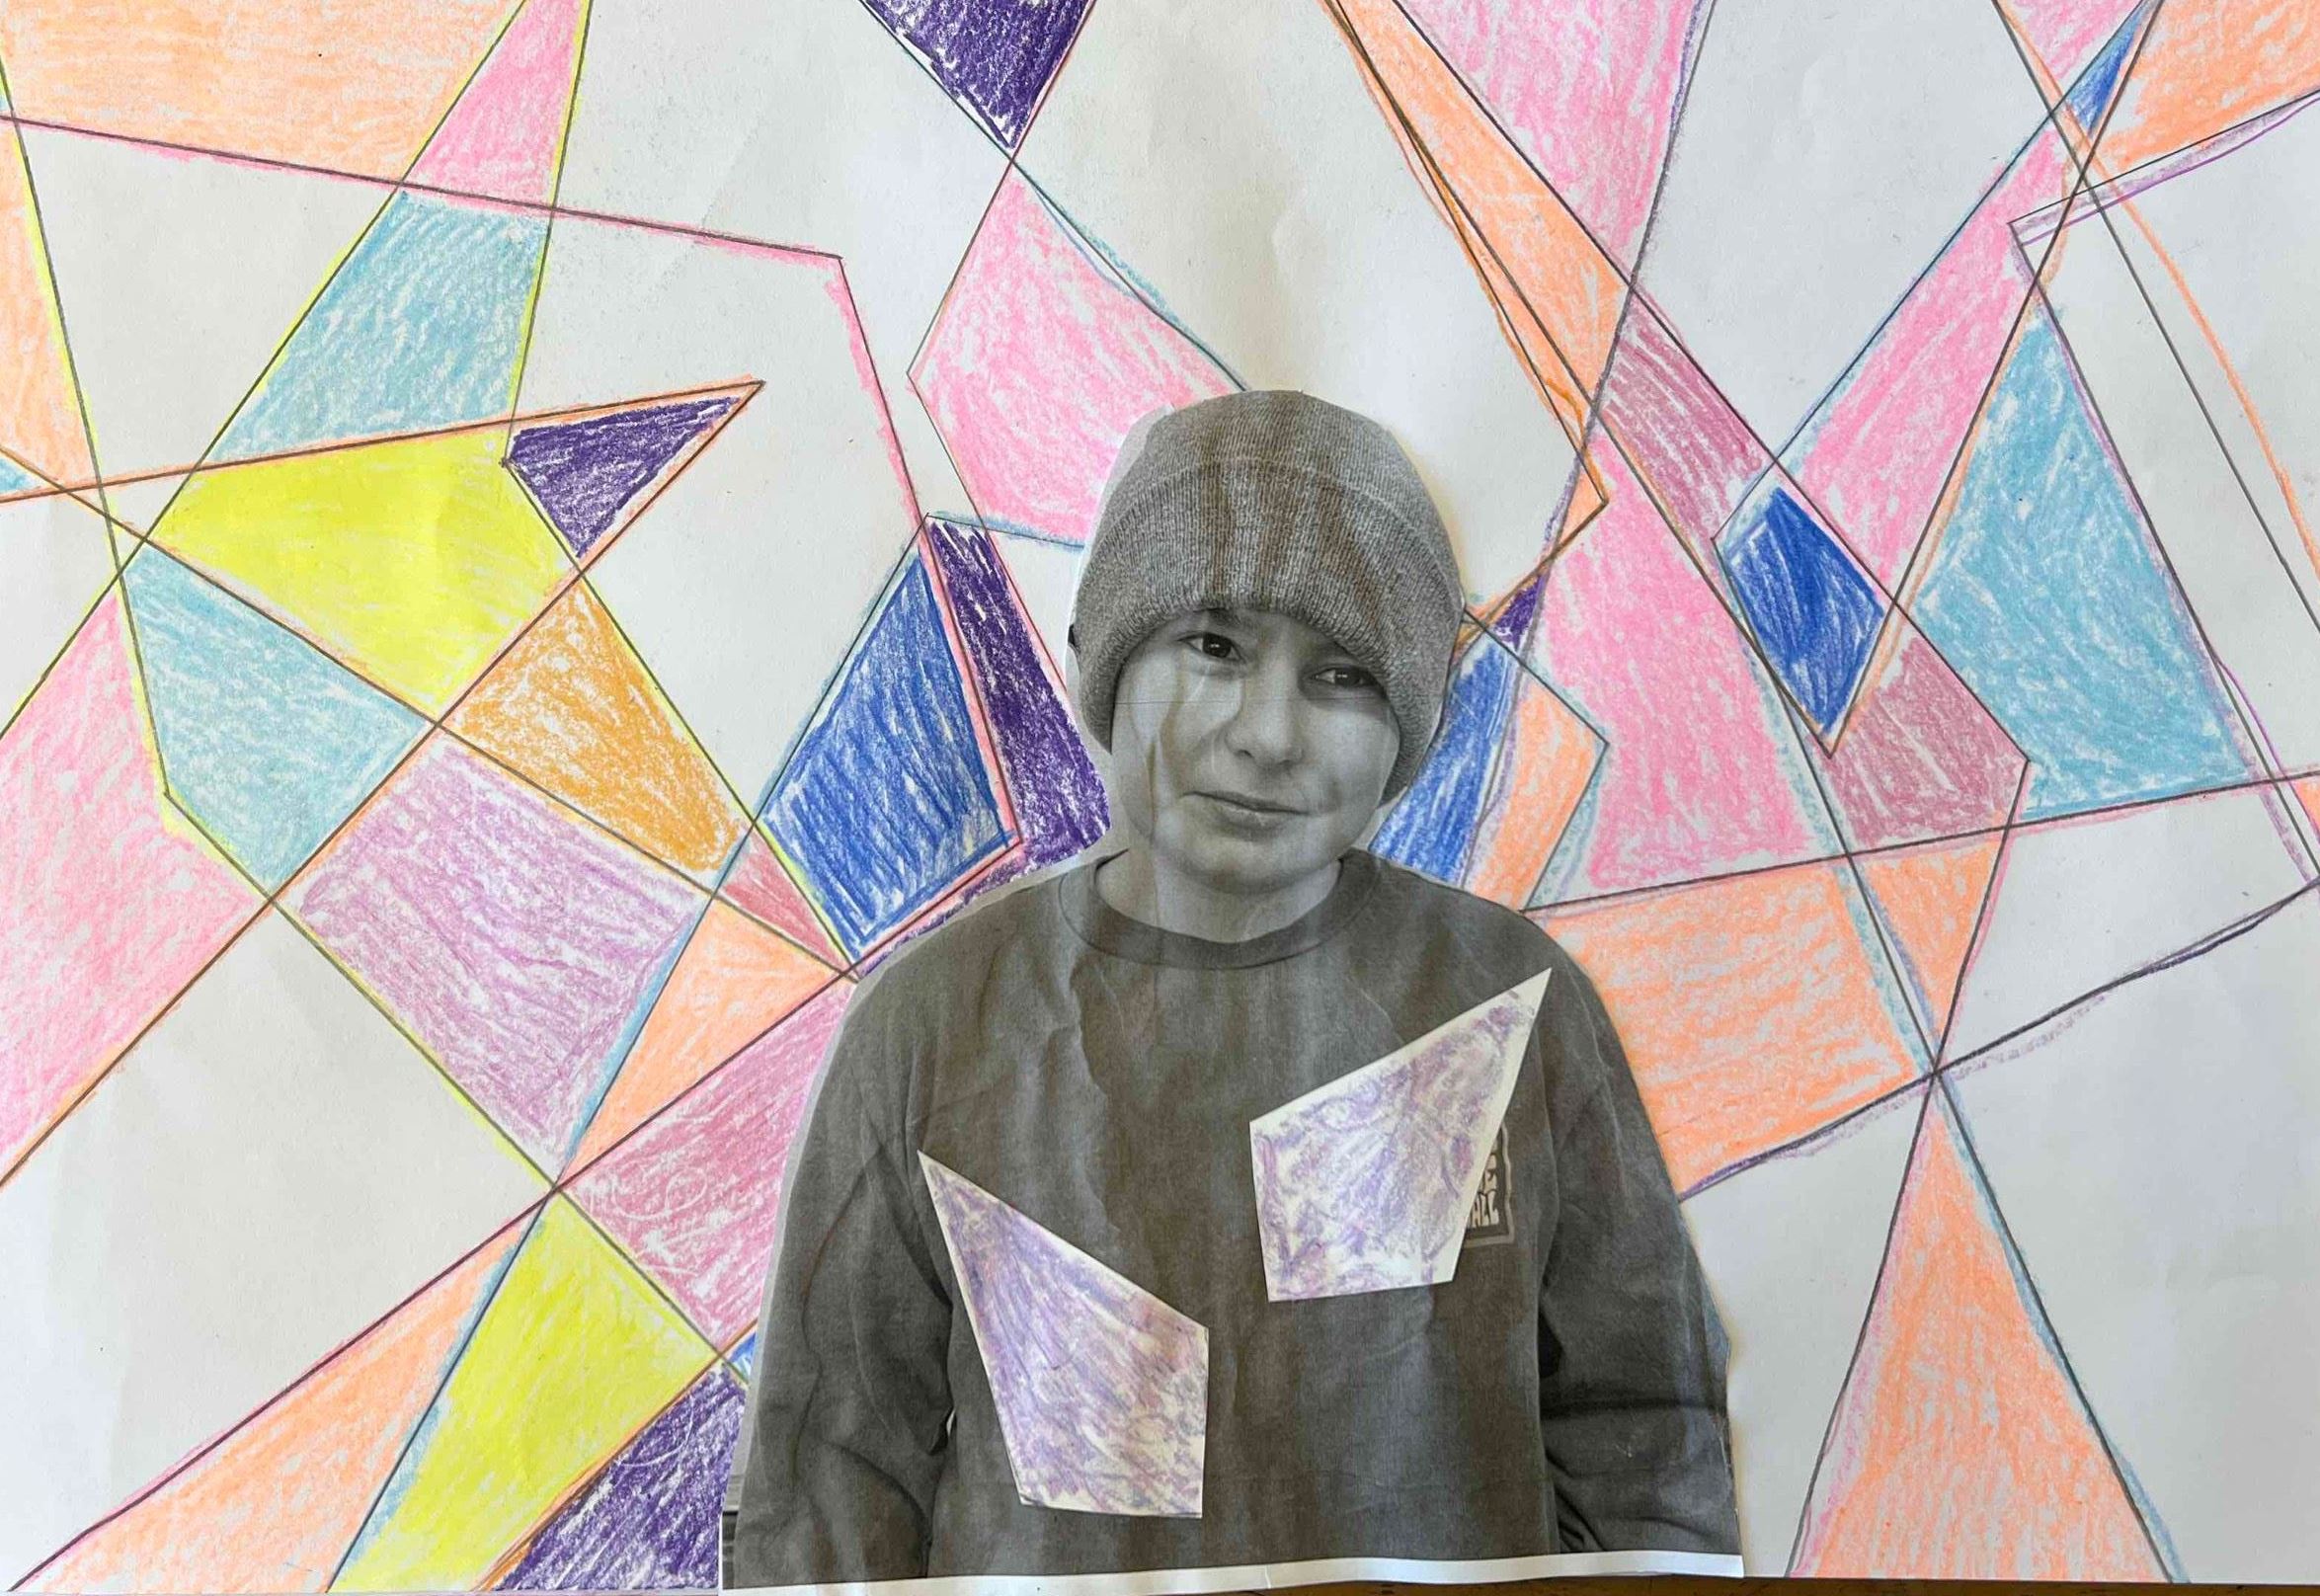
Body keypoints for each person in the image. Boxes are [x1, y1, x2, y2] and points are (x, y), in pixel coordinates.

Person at [729, 389, 1739, 1586]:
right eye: (1214, 645)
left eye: (1343, 674)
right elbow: (831, 1472)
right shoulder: (932, 1023)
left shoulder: (1513, 1003)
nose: (1269, 733)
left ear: (1406, 727)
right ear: (1111, 661)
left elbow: (1648, 1429)